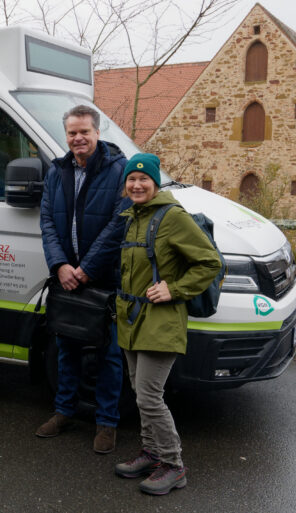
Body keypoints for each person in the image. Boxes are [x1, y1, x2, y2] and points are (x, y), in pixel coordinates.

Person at [114, 153, 221, 495]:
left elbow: (210, 262)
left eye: (144, 179)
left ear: (156, 183)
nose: (137, 184)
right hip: (132, 319)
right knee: (139, 391)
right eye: (132, 179)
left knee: (148, 395)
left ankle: (174, 465)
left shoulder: (172, 217)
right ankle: (151, 453)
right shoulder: (132, 217)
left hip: (161, 321)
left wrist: (173, 289)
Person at [37, 104, 129, 454]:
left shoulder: (119, 170)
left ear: (97, 133)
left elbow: (119, 223)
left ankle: (107, 423)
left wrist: (87, 267)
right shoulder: (56, 171)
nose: (78, 138)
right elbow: (47, 220)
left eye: (84, 132)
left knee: (109, 354)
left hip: (104, 277)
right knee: (66, 347)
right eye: (72, 133)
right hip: (66, 276)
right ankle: (63, 412)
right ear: (66, 136)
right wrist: (60, 264)